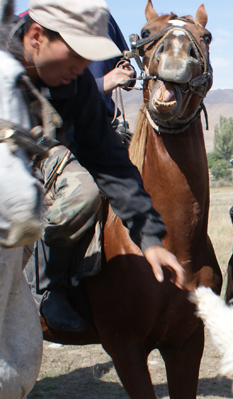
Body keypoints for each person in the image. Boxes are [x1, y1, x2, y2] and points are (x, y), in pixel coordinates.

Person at [10, 0, 186, 332]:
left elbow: (109, 162)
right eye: (77, 54)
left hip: (39, 155)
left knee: (87, 189)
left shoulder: (73, 87)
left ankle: (50, 286)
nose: (85, 66)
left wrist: (149, 238)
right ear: (36, 37)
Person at [87, 13, 135, 143]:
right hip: (64, 128)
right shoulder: (42, 16)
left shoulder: (103, 17)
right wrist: (100, 85)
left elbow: (122, 60)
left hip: (106, 125)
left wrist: (127, 72)